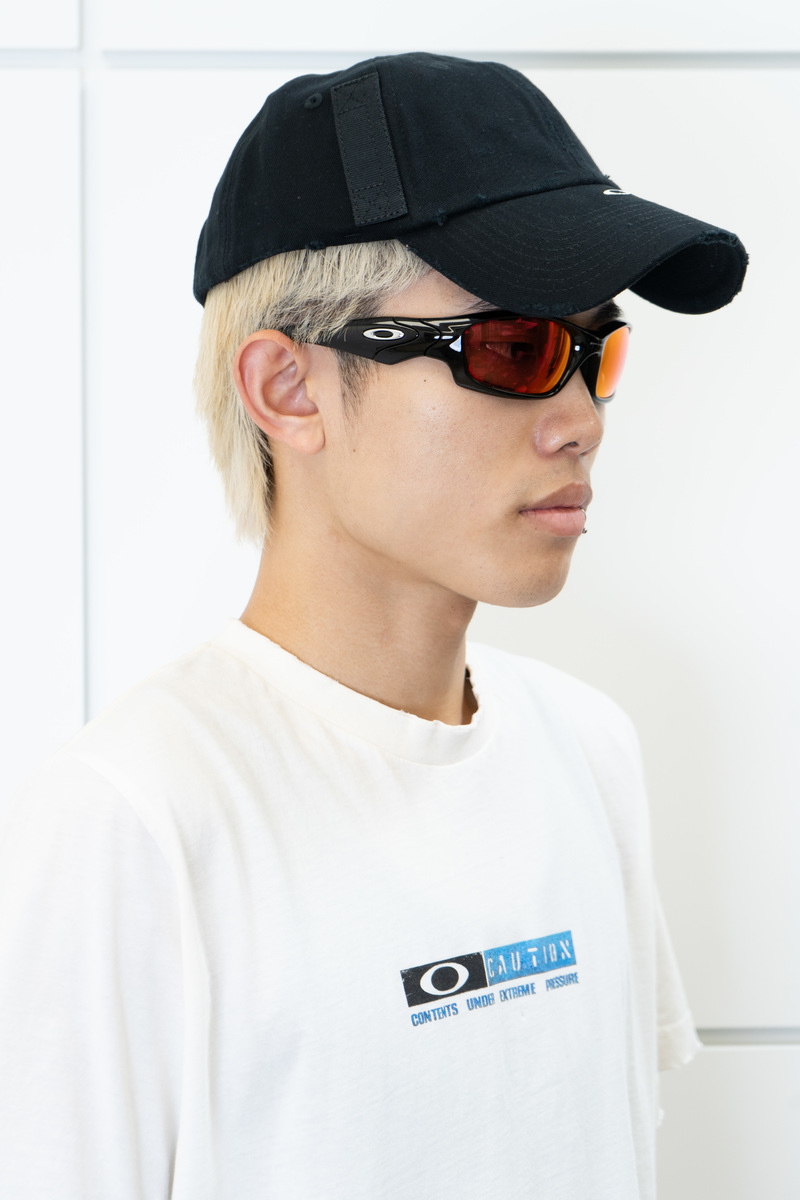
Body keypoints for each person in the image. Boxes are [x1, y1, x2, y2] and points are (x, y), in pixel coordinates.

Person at [0, 52, 746, 1200]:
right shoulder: (135, 819)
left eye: (596, 350)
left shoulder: (586, 748)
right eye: (511, 349)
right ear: (287, 389)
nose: (581, 419)